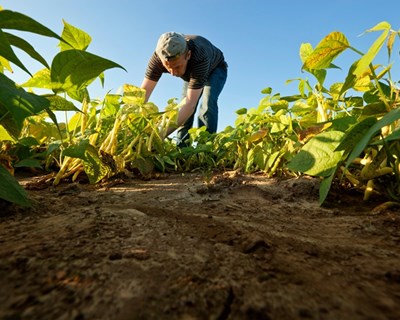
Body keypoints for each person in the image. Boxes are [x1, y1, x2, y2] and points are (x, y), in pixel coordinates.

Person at [141, 32, 228, 146]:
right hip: (191, 72)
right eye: (168, 67)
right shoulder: (157, 59)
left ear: (188, 55)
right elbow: (142, 94)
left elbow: (190, 104)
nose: (173, 73)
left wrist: (158, 136)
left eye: (177, 66)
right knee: (182, 108)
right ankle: (182, 147)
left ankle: (205, 147)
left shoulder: (200, 56)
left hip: (215, 68)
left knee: (207, 102)